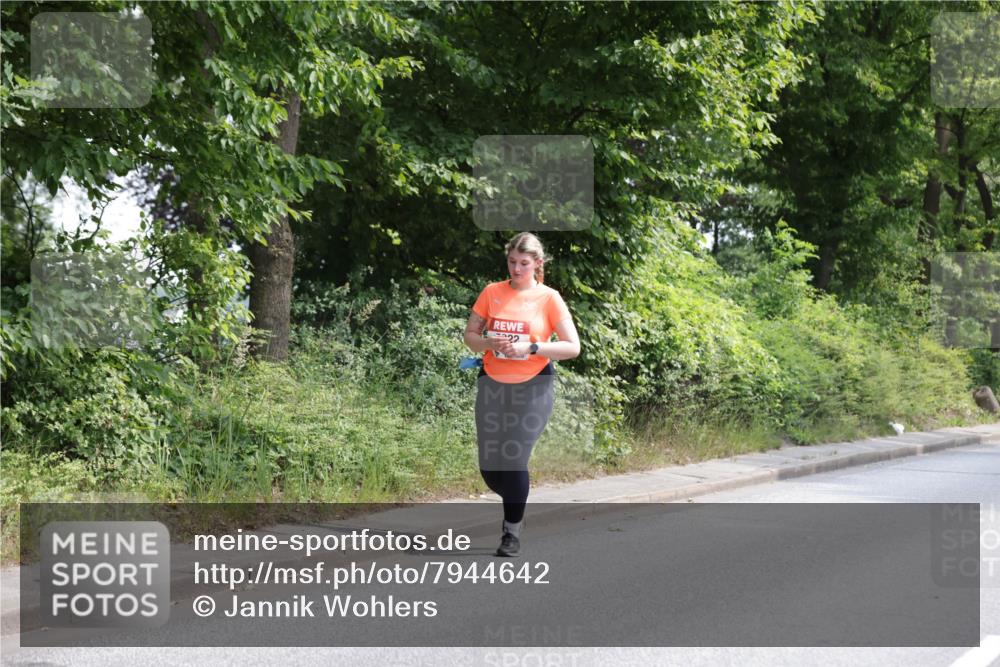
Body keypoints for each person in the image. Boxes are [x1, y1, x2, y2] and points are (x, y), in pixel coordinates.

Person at [463, 232, 581, 557]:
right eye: (512, 262)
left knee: (513, 459)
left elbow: (573, 347)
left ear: (537, 264)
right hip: (492, 383)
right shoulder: (491, 292)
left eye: (524, 264)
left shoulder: (549, 298)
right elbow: (470, 336)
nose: (517, 269)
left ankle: (511, 531)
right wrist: (489, 343)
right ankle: (517, 497)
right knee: (490, 467)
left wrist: (531, 346)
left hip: (534, 386)